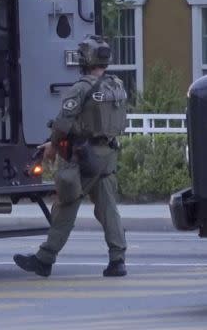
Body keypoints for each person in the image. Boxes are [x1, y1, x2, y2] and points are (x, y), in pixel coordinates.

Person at [14, 35, 128, 278]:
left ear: (86, 58)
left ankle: (45, 259)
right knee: (108, 209)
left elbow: (64, 124)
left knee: (66, 204)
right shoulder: (116, 85)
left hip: (82, 157)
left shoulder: (80, 88)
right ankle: (118, 259)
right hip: (107, 153)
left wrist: (53, 145)